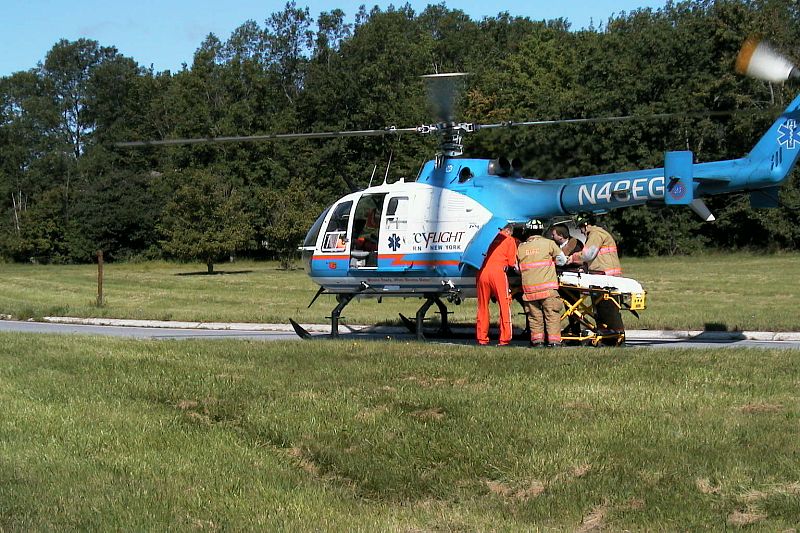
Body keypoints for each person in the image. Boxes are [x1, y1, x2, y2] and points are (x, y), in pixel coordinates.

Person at [567, 213, 625, 336]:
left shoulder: (595, 234)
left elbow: (588, 255)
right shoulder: (598, 233)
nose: (581, 231)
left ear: (586, 225)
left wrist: (572, 258)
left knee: (606, 307)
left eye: (581, 228)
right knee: (603, 307)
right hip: (603, 275)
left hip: (605, 277)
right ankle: (609, 333)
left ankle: (614, 335)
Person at [517, 219, 567, 347]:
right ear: (541, 231)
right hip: (548, 290)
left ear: (527, 232)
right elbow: (562, 260)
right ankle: (554, 342)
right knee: (552, 316)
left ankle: (537, 342)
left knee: (534, 317)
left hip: (529, 292)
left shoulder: (521, 248)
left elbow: (517, 268)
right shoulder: (549, 244)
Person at [476, 224, 518, 346]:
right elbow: (511, 262)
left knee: (482, 306)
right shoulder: (510, 240)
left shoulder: (487, 238)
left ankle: (482, 338)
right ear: (509, 230)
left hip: (482, 272)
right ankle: (504, 339)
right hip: (498, 273)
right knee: (504, 305)